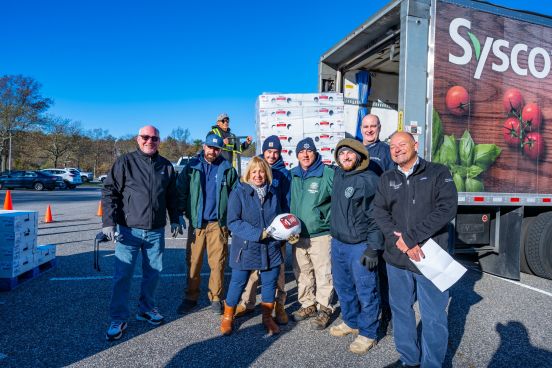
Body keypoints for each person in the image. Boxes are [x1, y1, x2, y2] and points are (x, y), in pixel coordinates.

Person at [373, 132, 458, 368]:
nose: (397, 149)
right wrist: (398, 239)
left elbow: (447, 208)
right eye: (392, 147)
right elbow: (379, 212)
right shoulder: (388, 177)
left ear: (416, 145)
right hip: (396, 259)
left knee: (433, 317)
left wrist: (411, 238)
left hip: (428, 257)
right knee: (402, 313)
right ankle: (409, 360)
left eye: (402, 144)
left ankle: (432, 364)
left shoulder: (437, 172)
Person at [102, 125, 181, 341]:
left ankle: (146, 309)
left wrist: (175, 218)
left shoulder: (166, 166)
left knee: (153, 273)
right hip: (128, 231)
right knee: (123, 275)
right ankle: (118, 317)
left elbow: (172, 196)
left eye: (154, 138)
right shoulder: (125, 162)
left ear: (159, 141)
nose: (149, 141)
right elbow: (110, 193)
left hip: (155, 231)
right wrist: (108, 223)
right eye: (145, 137)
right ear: (138, 139)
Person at [221, 157, 298, 335]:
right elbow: (233, 221)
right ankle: (227, 317)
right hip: (246, 248)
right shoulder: (239, 192)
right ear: (248, 173)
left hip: (270, 248)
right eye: (254, 171)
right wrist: (257, 233)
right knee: (237, 283)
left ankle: (267, 317)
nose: (258, 175)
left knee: (270, 284)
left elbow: (279, 220)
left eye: (261, 171)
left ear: (267, 173)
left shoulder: (273, 192)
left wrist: (288, 234)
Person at [328, 138, 383, 355]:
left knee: (366, 290)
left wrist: (373, 248)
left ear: (359, 156)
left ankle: (368, 332)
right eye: (342, 153)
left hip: (359, 245)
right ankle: (351, 321)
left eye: (350, 153)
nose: (346, 157)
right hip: (339, 243)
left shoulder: (369, 180)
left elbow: (377, 217)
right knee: (343, 287)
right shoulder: (339, 175)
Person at [176, 133, 238, 315]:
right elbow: (181, 192)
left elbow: (236, 197)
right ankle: (191, 297)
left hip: (217, 225)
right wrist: (179, 214)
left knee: (217, 263)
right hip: (197, 224)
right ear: (204, 147)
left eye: (217, 148)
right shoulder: (192, 167)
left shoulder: (227, 169)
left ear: (220, 150)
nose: (213, 151)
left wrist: (232, 220)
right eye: (210, 147)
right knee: (193, 262)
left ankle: (216, 297)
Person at [234, 135, 292, 324]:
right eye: (269, 151)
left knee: (278, 273)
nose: (272, 155)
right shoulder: (254, 168)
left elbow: (286, 203)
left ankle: (279, 305)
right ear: (264, 151)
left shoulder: (284, 174)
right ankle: (248, 302)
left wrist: (286, 230)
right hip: (254, 236)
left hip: (276, 235)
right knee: (252, 273)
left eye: (276, 152)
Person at [289, 137, 335, 330]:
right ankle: (308, 304)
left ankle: (324, 308)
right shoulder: (293, 175)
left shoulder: (327, 173)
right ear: (297, 154)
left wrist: (329, 219)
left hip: (320, 234)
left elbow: (339, 200)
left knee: (324, 273)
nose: (305, 155)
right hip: (298, 235)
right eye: (301, 152)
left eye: (309, 151)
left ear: (315, 153)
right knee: (302, 272)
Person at [360, 113, 394, 333]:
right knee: (362, 269)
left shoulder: (384, 152)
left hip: (378, 217)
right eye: (366, 126)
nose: (369, 130)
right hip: (359, 220)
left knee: (382, 270)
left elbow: (392, 183)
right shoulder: (355, 150)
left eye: (373, 126)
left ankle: (387, 315)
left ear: (379, 128)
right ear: (361, 128)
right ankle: (366, 313)